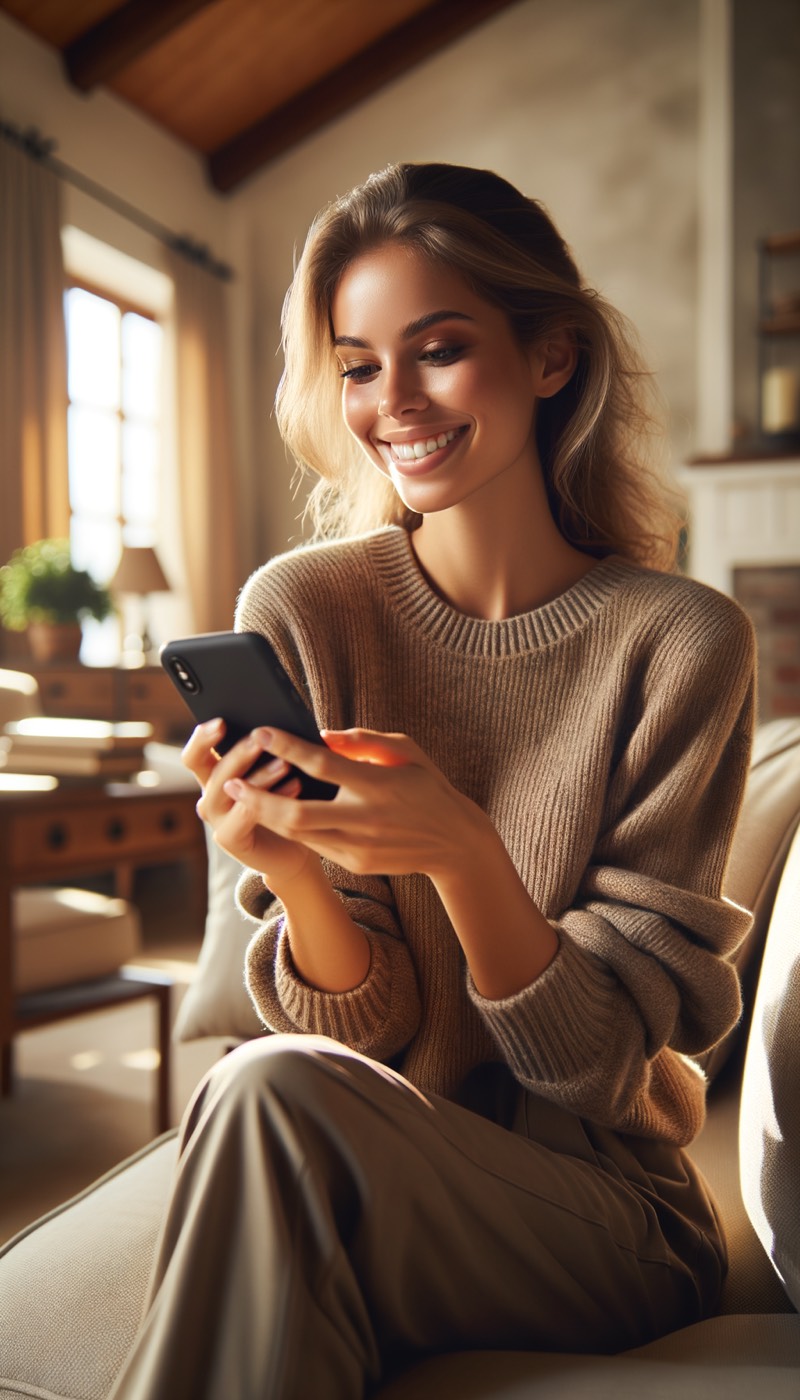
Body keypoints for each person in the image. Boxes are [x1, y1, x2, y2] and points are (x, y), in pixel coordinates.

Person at [110, 163, 756, 1400]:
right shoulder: (304, 606)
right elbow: (353, 1041)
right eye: (357, 365)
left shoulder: (680, 640)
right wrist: (295, 874)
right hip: (365, 1154)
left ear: (550, 356)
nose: (391, 402)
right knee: (268, 1091)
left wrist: (459, 850)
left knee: (264, 1103)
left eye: (439, 350)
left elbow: (596, 1065)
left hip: (602, 1213)